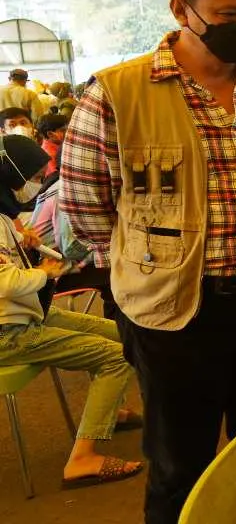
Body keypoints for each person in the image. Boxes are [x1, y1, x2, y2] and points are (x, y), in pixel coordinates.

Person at [61, 0, 236, 524]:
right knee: (180, 467)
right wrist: (151, 266)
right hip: (175, 314)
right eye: (229, 16)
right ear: (182, 10)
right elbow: (86, 208)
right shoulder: (118, 94)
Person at [0, 134, 144, 488]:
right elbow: (5, 281)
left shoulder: (6, 214)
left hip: (30, 311)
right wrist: (42, 273)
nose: (36, 183)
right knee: (117, 355)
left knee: (121, 334)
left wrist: (29, 246)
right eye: (32, 176)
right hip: (10, 330)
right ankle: (82, 459)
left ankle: (109, 409)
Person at [37, 112, 69, 177]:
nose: (68, 132)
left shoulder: (57, 144)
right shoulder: (49, 154)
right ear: (50, 134)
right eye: (63, 130)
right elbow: (57, 176)